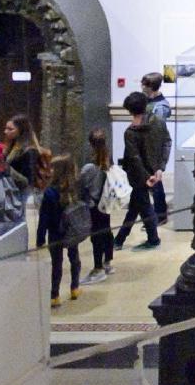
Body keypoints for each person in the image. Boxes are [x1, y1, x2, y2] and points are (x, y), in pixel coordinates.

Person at [116, 91, 165, 250]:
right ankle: (120, 239)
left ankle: (151, 239)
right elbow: (166, 143)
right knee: (136, 206)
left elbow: (135, 158)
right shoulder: (157, 121)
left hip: (139, 175)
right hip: (152, 171)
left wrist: (145, 177)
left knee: (142, 206)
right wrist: (159, 168)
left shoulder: (130, 132)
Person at [40, 153, 86, 308]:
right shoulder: (74, 189)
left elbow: (43, 218)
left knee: (56, 264)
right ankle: (74, 287)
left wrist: (40, 237)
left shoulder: (49, 193)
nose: (49, 171)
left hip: (54, 233)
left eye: (52, 168)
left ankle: (54, 295)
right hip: (71, 231)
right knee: (74, 259)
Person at [81, 127, 116, 283]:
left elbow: (81, 185)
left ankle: (98, 268)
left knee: (96, 236)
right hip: (106, 202)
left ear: (90, 144)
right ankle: (107, 262)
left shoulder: (89, 167)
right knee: (106, 231)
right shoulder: (108, 159)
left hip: (94, 205)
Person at [141, 73, 172, 225]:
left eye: (144, 84)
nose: (142, 87)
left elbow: (157, 132)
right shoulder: (149, 102)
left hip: (154, 149)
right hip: (146, 147)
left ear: (150, 87)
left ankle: (160, 215)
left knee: (155, 183)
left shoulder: (160, 107)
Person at [1, 113, 47, 193]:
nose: (5, 132)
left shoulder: (29, 151)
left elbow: (28, 181)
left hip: (22, 197)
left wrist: (8, 170)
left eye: (10, 129)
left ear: (21, 131)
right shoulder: (11, 147)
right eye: (6, 128)